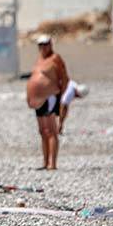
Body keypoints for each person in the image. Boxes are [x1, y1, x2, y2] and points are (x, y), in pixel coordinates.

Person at [26, 34, 68, 170]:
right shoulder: (39, 60)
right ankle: (45, 162)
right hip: (37, 100)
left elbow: (64, 78)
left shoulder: (55, 58)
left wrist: (62, 97)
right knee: (42, 131)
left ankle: (53, 163)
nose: (43, 47)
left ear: (50, 44)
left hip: (50, 97)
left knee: (51, 131)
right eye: (40, 45)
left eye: (45, 44)